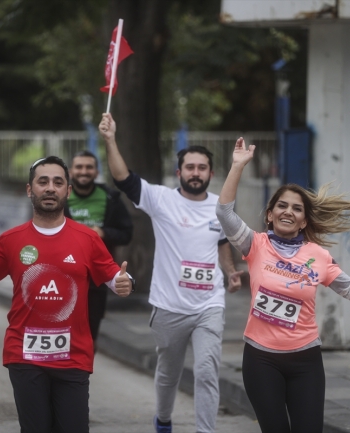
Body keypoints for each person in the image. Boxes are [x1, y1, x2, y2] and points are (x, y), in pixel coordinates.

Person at [0, 156, 134, 433]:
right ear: (30, 190)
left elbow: (114, 276)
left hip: (73, 356)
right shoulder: (11, 239)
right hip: (24, 356)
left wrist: (125, 281)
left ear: (68, 192)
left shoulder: (87, 238)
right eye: (43, 182)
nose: (50, 188)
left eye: (58, 182)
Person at [216, 137, 350, 433]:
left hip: (305, 361)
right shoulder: (255, 244)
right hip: (260, 359)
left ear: (304, 221)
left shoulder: (317, 255)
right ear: (270, 214)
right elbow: (224, 214)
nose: (288, 211)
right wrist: (237, 166)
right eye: (281, 206)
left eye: (296, 208)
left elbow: (348, 288)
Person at [99, 113, 243, 433]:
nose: (195, 173)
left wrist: (231, 272)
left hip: (209, 304)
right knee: (169, 373)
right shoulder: (160, 199)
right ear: (179, 172)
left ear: (211, 173)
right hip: (169, 306)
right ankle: (163, 420)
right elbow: (123, 178)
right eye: (190, 167)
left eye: (201, 167)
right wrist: (110, 139)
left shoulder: (220, 207)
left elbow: (222, 242)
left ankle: (206, 430)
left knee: (206, 370)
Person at [67, 150, 133, 346]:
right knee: (61, 330)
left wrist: (104, 233)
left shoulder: (111, 198)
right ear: (71, 171)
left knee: (89, 334)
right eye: (79, 167)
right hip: (64, 275)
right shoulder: (60, 197)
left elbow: (127, 234)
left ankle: (81, 374)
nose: (84, 171)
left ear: (97, 172)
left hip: (96, 278)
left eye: (89, 167)